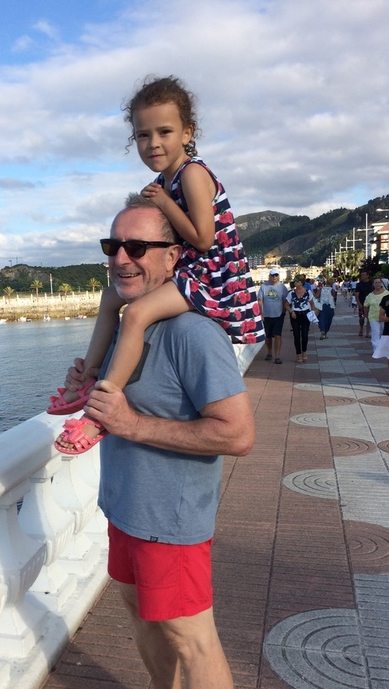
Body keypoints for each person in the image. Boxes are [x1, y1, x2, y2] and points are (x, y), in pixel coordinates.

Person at [64, 194, 255, 689]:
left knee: (194, 642)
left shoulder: (194, 335)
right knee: (145, 619)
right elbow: (114, 399)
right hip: (126, 508)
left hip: (171, 523)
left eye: (139, 247)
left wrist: (129, 423)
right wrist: (87, 383)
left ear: (175, 257)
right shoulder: (128, 324)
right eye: (113, 246)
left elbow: (237, 435)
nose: (122, 258)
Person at [48, 75, 263, 455]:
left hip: (210, 276)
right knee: (111, 297)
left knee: (136, 314)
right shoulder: (168, 179)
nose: (154, 144)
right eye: (143, 135)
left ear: (187, 132)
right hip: (192, 270)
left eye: (165, 131)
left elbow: (202, 240)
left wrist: (164, 203)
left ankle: (101, 408)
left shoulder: (192, 174)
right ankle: (88, 378)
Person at [257, 268, 288, 363]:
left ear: (278, 276)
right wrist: (260, 313)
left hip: (278, 315)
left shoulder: (282, 287)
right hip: (267, 315)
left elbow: (285, 301)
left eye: (276, 275)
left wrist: (284, 312)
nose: (274, 277)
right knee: (268, 336)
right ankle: (269, 352)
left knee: (278, 335)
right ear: (269, 276)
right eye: (272, 275)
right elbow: (260, 300)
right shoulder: (263, 286)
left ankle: (277, 356)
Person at [285, 276, 317, 362]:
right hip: (295, 314)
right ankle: (298, 354)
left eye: (297, 281)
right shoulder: (291, 293)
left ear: (301, 282)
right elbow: (286, 304)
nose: (295, 282)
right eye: (294, 281)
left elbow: (312, 303)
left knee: (305, 335)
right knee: (296, 335)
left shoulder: (308, 292)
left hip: (305, 314)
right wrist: (291, 311)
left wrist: (312, 312)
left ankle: (304, 352)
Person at [363, 276, 389, 356]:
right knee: (376, 332)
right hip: (373, 317)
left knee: (383, 333)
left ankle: (383, 349)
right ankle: (376, 350)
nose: (378, 284)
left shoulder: (387, 294)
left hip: (384, 317)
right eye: (376, 283)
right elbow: (365, 306)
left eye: (379, 282)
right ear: (373, 285)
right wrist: (366, 315)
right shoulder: (370, 295)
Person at [354, 271, 373, 337]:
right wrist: (359, 303)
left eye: (364, 275)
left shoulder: (371, 284)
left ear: (367, 276)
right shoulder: (359, 284)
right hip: (362, 303)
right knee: (362, 318)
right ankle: (361, 328)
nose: (362, 276)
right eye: (362, 275)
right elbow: (356, 294)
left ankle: (367, 333)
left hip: (371, 304)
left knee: (369, 318)